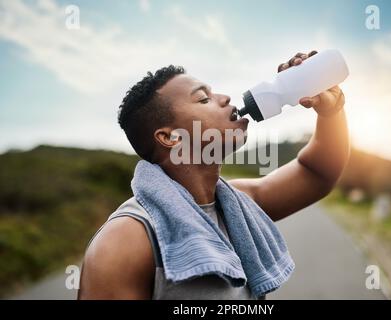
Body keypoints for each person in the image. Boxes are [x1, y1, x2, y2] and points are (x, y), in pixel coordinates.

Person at [78, 50, 350, 300]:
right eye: (203, 98)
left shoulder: (240, 204)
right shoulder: (125, 241)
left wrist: (331, 112)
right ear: (170, 137)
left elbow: (317, 173)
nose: (225, 98)